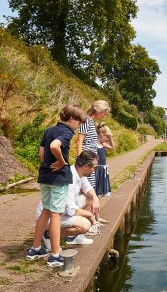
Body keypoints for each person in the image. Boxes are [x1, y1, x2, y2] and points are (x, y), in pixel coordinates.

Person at [26, 104, 87, 267]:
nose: (79, 127)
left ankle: (35, 249)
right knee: (56, 214)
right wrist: (61, 161)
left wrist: (49, 163)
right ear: (72, 119)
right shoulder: (66, 132)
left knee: (46, 211)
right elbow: (54, 146)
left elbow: (42, 153)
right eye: (79, 123)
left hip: (45, 176)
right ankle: (55, 255)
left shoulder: (49, 130)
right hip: (58, 179)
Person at [38, 150, 101, 249]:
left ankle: (72, 237)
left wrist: (95, 199)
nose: (94, 171)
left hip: (63, 210)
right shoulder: (69, 179)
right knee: (85, 225)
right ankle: (48, 234)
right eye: (94, 168)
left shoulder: (78, 172)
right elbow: (71, 210)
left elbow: (88, 188)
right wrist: (89, 215)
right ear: (86, 167)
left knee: (89, 198)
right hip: (50, 216)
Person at [77, 100, 110, 189]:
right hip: (86, 162)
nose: (104, 116)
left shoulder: (91, 122)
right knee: (87, 190)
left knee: (89, 189)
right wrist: (81, 161)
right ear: (99, 110)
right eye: (104, 113)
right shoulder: (86, 121)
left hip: (90, 161)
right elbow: (80, 141)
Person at [95, 122, 115, 196]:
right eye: (106, 137)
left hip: (103, 167)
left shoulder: (103, 144)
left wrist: (110, 138)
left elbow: (112, 147)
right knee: (97, 181)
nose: (107, 139)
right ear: (100, 135)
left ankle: (101, 192)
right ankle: (96, 193)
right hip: (97, 167)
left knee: (102, 181)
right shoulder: (95, 145)